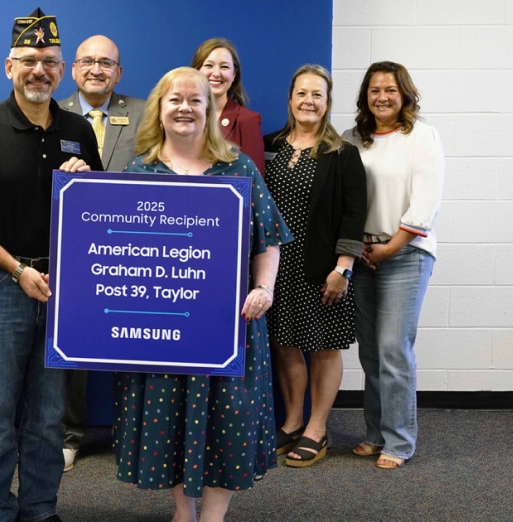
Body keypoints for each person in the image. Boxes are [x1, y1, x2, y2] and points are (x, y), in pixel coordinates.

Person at [0, 8, 101, 522]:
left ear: (63, 69)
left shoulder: (79, 129)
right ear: (9, 67)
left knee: (49, 417)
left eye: (50, 61)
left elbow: (97, 217)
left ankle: (39, 508)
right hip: (0, 286)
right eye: (29, 60)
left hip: (61, 288)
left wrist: (87, 181)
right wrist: (16, 269)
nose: (40, 70)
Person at [114, 67, 292, 522]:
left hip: (229, 322)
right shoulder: (141, 169)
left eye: (196, 100)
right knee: (167, 414)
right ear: (160, 108)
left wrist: (263, 287)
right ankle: (182, 510)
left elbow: (268, 240)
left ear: (211, 109)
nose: (185, 108)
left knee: (227, 418)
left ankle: (213, 514)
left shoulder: (238, 166)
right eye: (175, 100)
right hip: (162, 326)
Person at [262, 64, 367, 467]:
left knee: (323, 348)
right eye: (302, 93)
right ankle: (291, 422)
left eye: (317, 95)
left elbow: (354, 215)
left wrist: (343, 269)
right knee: (286, 344)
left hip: (323, 267)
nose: (308, 101)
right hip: (276, 266)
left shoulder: (342, 154)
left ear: (327, 102)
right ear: (290, 99)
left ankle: (317, 429)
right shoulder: (271, 145)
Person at [342, 61, 444, 470]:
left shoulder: (422, 136)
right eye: (374, 90)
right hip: (363, 255)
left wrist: (392, 246)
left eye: (390, 89)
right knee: (370, 351)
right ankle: (374, 433)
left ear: (404, 94)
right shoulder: (354, 139)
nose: (382, 97)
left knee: (392, 349)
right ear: (365, 96)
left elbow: (426, 201)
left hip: (406, 253)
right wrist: (358, 251)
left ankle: (399, 441)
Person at [56, 34, 145, 472]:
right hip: (72, 253)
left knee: (139, 343)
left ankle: (139, 436)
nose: (96, 69)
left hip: (137, 252)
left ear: (119, 72)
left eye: (106, 63)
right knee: (72, 347)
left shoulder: (146, 113)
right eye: (87, 61)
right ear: (72, 69)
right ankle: (70, 435)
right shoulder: (51, 116)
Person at [191, 38, 266, 176]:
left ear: (234, 75)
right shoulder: (183, 116)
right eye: (209, 65)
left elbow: (255, 181)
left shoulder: (247, 120)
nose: (216, 73)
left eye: (224, 67)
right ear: (196, 71)